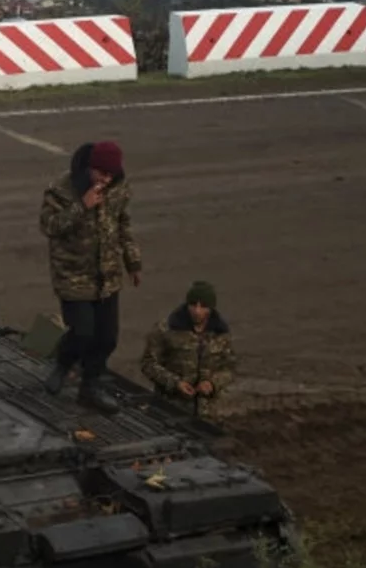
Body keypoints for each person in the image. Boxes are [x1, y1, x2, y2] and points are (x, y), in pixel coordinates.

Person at [39, 139, 142, 413]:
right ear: (90, 169)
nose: (106, 180)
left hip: (107, 274)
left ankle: (90, 385)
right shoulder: (62, 189)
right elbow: (49, 226)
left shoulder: (119, 188)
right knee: (82, 332)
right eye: (101, 174)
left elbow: (123, 224)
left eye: (111, 175)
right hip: (73, 275)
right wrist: (81, 206)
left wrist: (132, 261)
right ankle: (63, 362)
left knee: (107, 337)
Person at [141, 281, 237, 420]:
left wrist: (212, 383)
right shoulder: (166, 329)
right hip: (170, 411)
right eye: (193, 305)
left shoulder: (221, 334)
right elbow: (148, 363)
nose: (197, 311)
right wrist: (175, 383)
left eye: (203, 306)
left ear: (210, 308)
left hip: (208, 415)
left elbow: (229, 368)